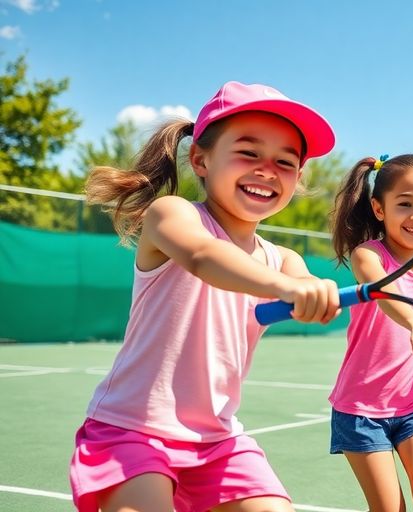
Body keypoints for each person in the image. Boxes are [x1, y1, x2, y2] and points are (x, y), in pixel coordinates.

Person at [68, 81, 340, 512]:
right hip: (131, 430)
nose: (267, 169)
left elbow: (306, 286)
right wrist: (291, 288)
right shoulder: (171, 214)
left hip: (218, 440)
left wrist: (318, 298)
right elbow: (203, 256)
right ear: (200, 159)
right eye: (249, 153)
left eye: (285, 162)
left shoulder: (284, 260)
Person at [327, 154, 413, 512]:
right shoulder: (367, 256)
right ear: (379, 208)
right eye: (405, 204)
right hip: (359, 410)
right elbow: (385, 293)